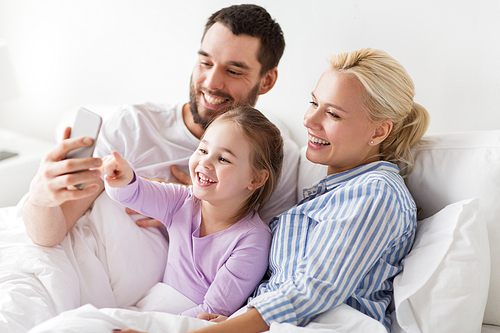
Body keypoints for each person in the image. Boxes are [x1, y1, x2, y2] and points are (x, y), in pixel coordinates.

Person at [119, 48, 427, 333]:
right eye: (313, 103)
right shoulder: (326, 193)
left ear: (379, 131)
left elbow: (311, 290)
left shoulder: (375, 194)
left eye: (332, 114)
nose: (309, 120)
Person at [22, 4, 299, 247]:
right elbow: (51, 234)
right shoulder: (134, 127)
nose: (212, 82)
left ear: (267, 81)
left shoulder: (274, 157)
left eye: (234, 71)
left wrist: (200, 203)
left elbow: (264, 260)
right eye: (205, 62)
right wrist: (40, 198)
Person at [100, 106, 283, 318]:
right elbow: (133, 193)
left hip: (188, 322)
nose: (205, 162)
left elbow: (212, 312)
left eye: (223, 159)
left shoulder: (252, 239)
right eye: (203, 150)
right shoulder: (182, 201)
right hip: (152, 305)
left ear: (256, 179)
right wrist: (122, 178)